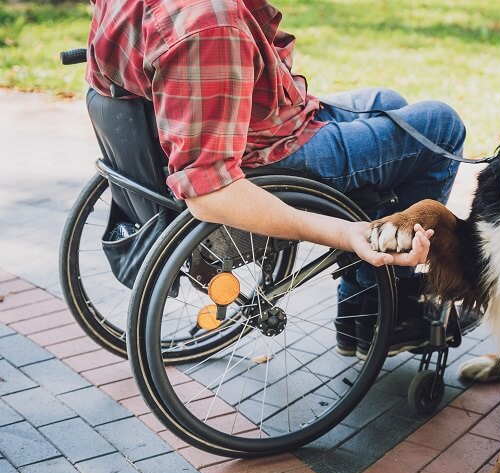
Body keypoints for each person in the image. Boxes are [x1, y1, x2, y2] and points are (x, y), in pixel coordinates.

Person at [86, 0, 466, 358]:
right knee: (438, 127)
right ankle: (380, 309)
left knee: (389, 102)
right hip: (262, 162)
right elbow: (211, 193)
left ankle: (366, 300)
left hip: (246, 123)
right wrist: (345, 232)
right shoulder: (209, 23)